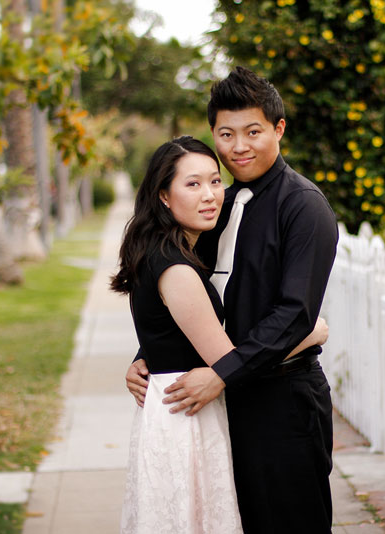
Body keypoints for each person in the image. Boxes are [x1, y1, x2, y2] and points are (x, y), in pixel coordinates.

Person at [126, 67, 339, 533]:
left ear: (278, 129)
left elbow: (295, 314)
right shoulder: (217, 203)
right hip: (222, 402)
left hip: (281, 401)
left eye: (253, 132)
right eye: (226, 134)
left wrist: (222, 373)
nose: (238, 146)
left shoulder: (303, 207)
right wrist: (151, 353)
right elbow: (189, 294)